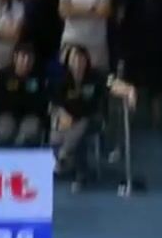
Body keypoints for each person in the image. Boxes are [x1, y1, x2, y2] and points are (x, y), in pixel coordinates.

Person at [51, 44, 135, 189]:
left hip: (94, 119)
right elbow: (55, 103)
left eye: (81, 60)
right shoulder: (62, 79)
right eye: (74, 60)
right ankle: (79, 172)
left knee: (82, 124)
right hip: (68, 122)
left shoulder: (96, 76)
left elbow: (113, 84)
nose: (78, 63)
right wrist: (62, 114)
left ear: (86, 61)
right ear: (68, 62)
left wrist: (129, 90)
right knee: (73, 133)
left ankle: (64, 156)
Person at [116, 0, 162, 124]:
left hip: (142, 44)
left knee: (138, 83)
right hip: (144, 43)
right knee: (145, 85)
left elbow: (120, 18)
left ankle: (133, 119)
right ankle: (147, 118)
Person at [0, 45, 46, 147]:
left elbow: (41, 103)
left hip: (30, 116)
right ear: (15, 58)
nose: (26, 61)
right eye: (23, 57)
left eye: (29, 58)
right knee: (4, 133)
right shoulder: (3, 75)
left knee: (29, 133)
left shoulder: (38, 76)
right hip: (7, 114)